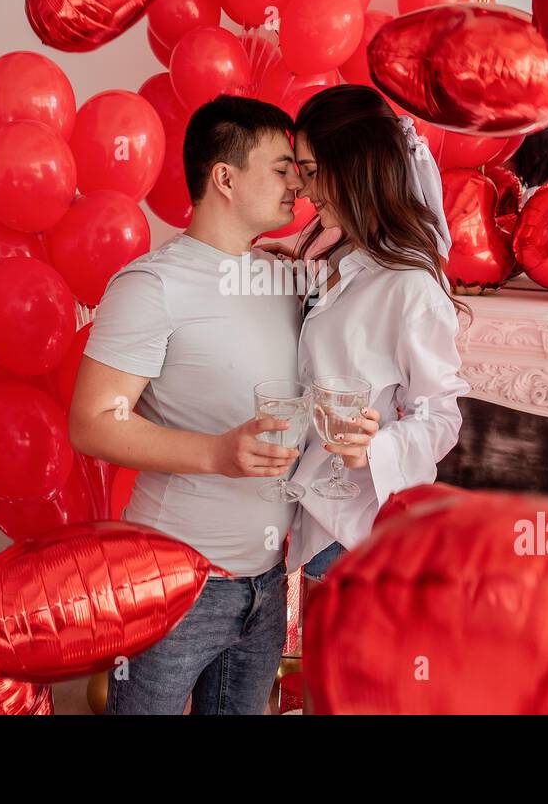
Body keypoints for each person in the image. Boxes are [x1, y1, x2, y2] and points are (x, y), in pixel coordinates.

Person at [67, 94, 374, 714]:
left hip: (265, 585)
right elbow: (91, 422)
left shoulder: (288, 277)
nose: (299, 184)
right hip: (173, 580)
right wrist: (215, 452)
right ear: (225, 178)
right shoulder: (152, 286)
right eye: (282, 167)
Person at [283, 85, 470, 582]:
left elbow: (441, 416)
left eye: (313, 171)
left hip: (356, 539)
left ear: (356, 164)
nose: (303, 190)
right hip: (311, 525)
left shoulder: (410, 288)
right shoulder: (342, 264)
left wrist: (376, 449)